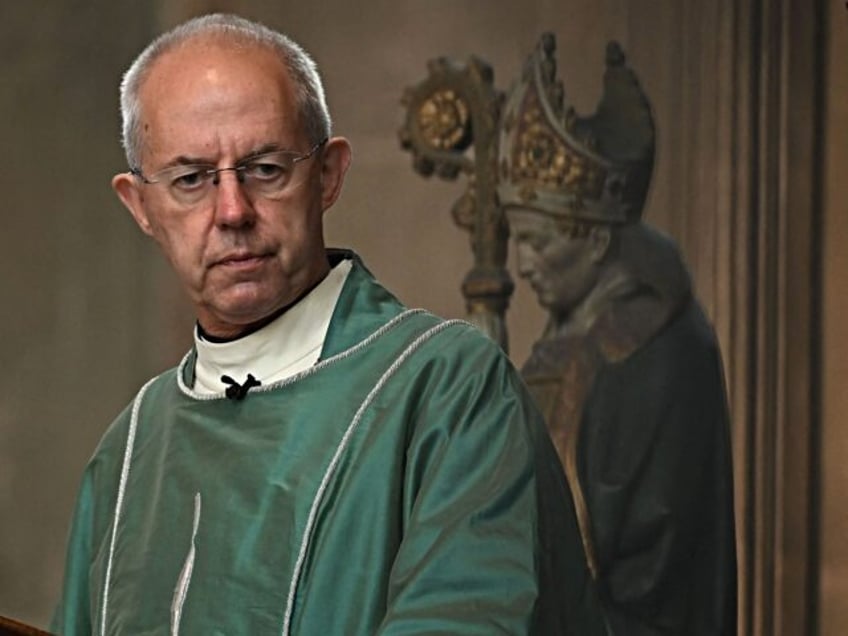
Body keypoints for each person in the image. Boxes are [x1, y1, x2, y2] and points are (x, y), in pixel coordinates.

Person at [52, 14, 606, 636]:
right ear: (141, 207)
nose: (232, 210)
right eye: (191, 180)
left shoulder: (448, 391)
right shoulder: (128, 454)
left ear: (328, 175)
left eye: (265, 168)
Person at [497, 35, 737, 635]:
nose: (521, 262)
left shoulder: (654, 353)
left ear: (597, 241)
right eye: (516, 238)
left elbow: (626, 549)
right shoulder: (584, 331)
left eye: (538, 240)